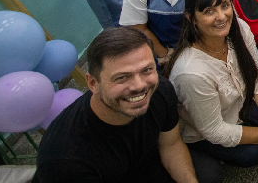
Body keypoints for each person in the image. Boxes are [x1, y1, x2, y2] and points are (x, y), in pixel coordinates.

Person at [166, 0, 258, 183]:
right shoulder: (191, 72)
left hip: (236, 105)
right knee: (253, 154)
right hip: (205, 130)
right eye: (208, 11)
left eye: (225, 5)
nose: (222, 16)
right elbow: (215, 131)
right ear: (191, 18)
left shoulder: (239, 28)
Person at [32, 28, 198, 183]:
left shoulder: (160, 90)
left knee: (205, 172)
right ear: (92, 83)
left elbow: (171, 145)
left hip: (141, 166)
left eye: (146, 70)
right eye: (122, 78)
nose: (139, 86)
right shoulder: (65, 160)